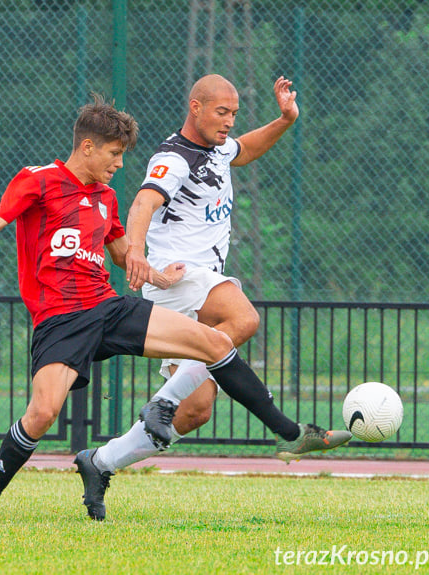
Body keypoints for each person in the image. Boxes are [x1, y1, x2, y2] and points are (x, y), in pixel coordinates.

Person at [0, 94, 347, 526]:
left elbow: (121, 257)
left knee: (213, 341)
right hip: (60, 319)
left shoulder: (106, 198)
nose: (118, 164)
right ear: (88, 146)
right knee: (43, 413)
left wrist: (157, 276)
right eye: (114, 154)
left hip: (108, 307)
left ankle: (291, 433)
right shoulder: (38, 180)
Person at [73, 75, 351, 521]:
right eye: (221, 112)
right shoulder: (174, 156)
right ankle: (169, 403)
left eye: (234, 114)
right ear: (195, 107)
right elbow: (143, 202)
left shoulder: (219, 148)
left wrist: (285, 119)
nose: (229, 122)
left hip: (196, 284)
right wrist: (139, 254)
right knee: (242, 319)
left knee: (196, 411)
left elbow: (247, 149)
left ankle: (100, 462)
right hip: (175, 279)